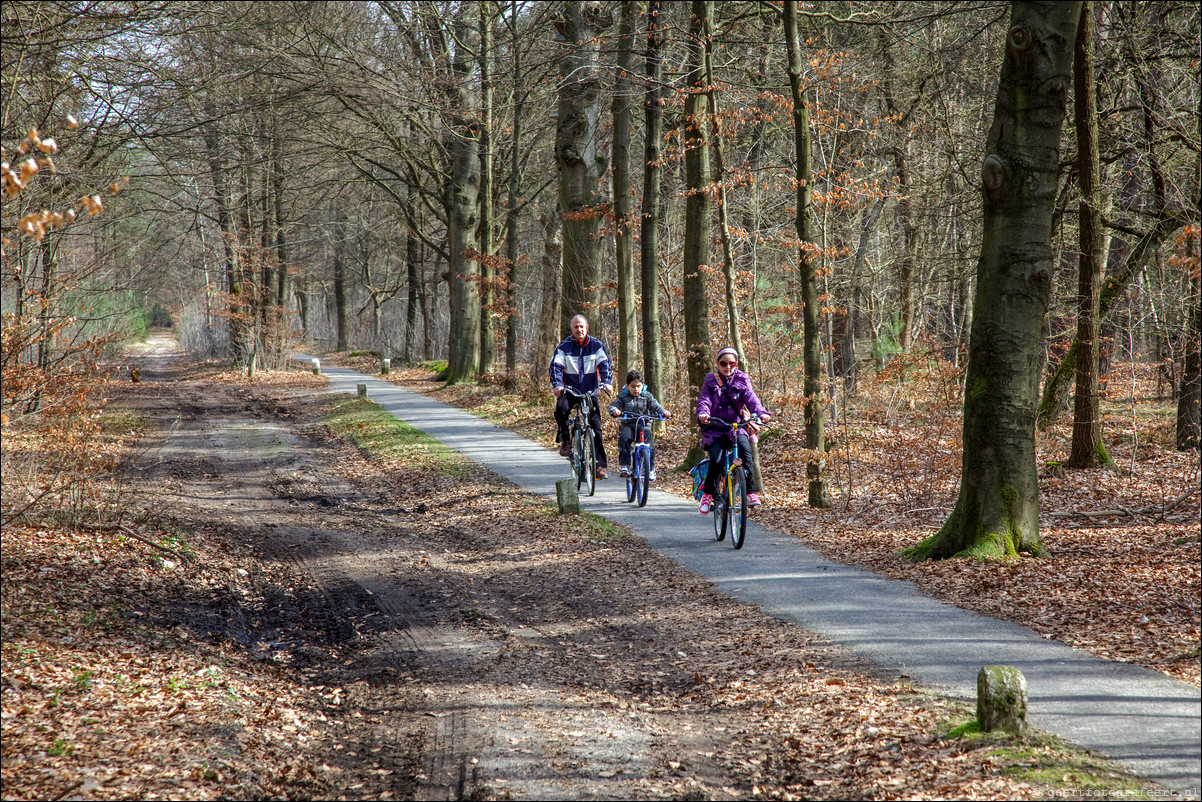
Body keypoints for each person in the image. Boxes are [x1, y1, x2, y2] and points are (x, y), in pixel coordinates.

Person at [695, 346, 772, 514]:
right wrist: (703, 414)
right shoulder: (711, 380)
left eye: (732, 363)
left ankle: (750, 492)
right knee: (717, 461)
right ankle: (708, 493)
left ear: (736, 364)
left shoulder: (742, 379)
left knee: (746, 455)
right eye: (724, 363)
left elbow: (751, 399)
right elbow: (705, 400)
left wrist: (761, 413)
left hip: (736, 428)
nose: (728, 367)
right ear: (718, 363)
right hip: (715, 427)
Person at [549, 315, 614, 479]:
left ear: (587, 328)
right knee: (562, 408)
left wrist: (606, 382)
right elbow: (556, 366)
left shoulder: (596, 345)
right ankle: (565, 439)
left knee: (596, 426)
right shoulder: (564, 347)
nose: (579, 330)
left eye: (581, 327)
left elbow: (604, 364)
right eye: (576, 327)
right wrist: (557, 385)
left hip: (589, 391)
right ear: (571, 329)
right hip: (569, 390)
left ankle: (599, 466)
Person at [608, 369, 671, 480]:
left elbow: (656, 406)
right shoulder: (623, 396)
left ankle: (651, 469)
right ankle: (625, 466)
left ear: (643, 385)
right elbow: (614, 405)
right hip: (629, 424)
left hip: (644, 424)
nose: (636, 389)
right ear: (627, 386)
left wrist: (664, 412)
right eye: (633, 386)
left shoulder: (647, 396)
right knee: (625, 439)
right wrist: (615, 411)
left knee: (649, 446)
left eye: (638, 386)